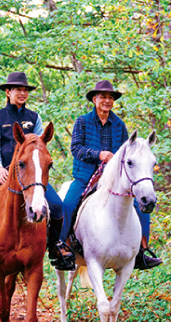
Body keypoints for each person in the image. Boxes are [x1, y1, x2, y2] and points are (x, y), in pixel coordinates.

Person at [0, 72, 75, 270]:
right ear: (8, 92)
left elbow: (39, 146)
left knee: (57, 206)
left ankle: (56, 245)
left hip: (29, 172)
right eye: (18, 89)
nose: (23, 93)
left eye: (25, 90)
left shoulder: (34, 117)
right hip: (3, 169)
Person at [59, 80, 162, 270]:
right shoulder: (82, 121)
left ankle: (141, 250)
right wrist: (98, 155)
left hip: (112, 179)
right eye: (103, 97)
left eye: (110, 97)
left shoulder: (119, 125)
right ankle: (62, 246)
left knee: (141, 205)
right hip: (85, 176)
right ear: (95, 99)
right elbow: (75, 148)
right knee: (67, 204)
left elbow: (125, 154)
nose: (107, 100)